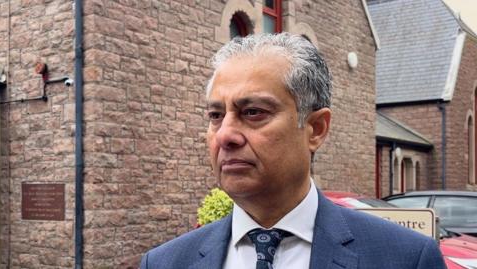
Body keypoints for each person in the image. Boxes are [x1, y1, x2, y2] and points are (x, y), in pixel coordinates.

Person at [140, 33, 446, 269]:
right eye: (216, 115)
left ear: (316, 129)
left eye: (253, 112)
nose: (226, 135)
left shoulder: (406, 258)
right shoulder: (165, 262)